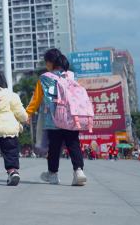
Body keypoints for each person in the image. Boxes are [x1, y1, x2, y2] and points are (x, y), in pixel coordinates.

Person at [26, 48, 87, 186]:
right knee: (73, 145)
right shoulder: (73, 76)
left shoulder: (44, 78)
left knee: (54, 147)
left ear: (49, 63)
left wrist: (28, 113)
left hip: (53, 120)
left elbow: (35, 99)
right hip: (72, 119)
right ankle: (78, 171)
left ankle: (53, 174)